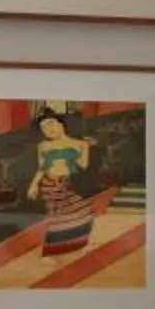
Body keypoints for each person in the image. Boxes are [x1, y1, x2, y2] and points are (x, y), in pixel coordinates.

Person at [29, 108, 97, 259]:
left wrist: (82, 150)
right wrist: (33, 185)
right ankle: (49, 252)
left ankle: (79, 244)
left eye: (51, 124)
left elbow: (83, 165)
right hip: (49, 185)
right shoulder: (43, 146)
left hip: (65, 183)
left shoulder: (79, 144)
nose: (49, 129)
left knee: (84, 212)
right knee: (57, 216)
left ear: (62, 125)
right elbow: (41, 168)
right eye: (44, 127)